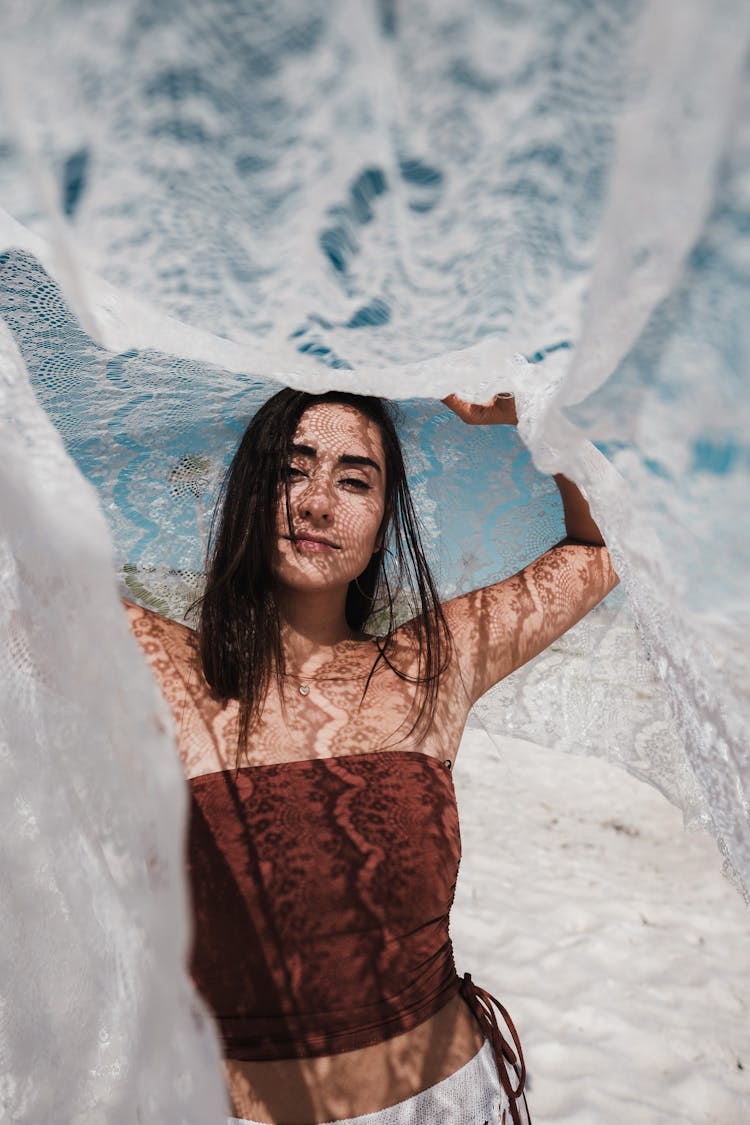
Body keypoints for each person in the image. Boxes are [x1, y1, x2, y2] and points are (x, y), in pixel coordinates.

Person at [125, 387, 618, 1125]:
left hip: (448, 1102)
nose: (319, 503)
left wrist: (540, 414)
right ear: (250, 491)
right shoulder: (166, 671)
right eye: (293, 470)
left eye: (355, 480)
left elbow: (603, 544)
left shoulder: (431, 664)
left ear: (385, 516)